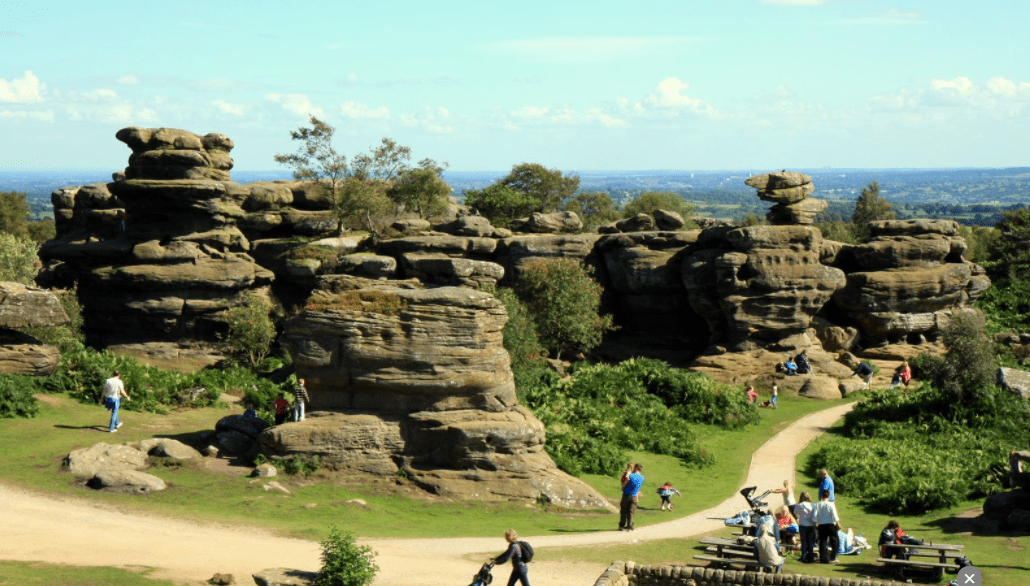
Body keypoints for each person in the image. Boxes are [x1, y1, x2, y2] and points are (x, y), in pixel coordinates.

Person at [814, 489, 841, 563]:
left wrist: (815, 522)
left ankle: (823, 558)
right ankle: (833, 556)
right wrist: (838, 522)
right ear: (828, 496)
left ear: (822, 496)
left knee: (823, 541)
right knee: (835, 541)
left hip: (821, 525)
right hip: (830, 524)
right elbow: (835, 515)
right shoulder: (831, 504)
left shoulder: (818, 504)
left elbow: (815, 515)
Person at [619, 463, 644, 531]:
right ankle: (630, 526)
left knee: (624, 510)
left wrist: (623, 487)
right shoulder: (642, 477)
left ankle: (622, 526)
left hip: (627, 494)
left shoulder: (631, 475)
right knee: (631, 511)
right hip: (635, 496)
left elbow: (625, 483)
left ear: (635, 468)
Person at [795, 491, 816, 563]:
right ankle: (811, 558)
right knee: (810, 542)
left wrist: (799, 518)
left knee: (804, 541)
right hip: (810, 525)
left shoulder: (800, 505)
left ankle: (804, 557)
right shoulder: (813, 505)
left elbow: (795, 512)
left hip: (802, 524)